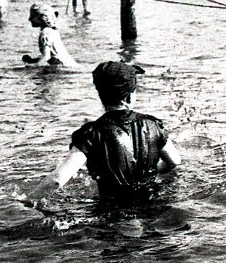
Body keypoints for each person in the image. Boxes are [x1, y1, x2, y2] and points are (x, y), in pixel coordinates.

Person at [28, 61, 182, 200]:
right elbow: (174, 161)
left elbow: (57, 180)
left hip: (110, 209)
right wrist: (151, 171)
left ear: (100, 95)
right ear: (129, 97)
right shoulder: (153, 124)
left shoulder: (91, 134)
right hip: (152, 204)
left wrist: (26, 201)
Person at [22, 3, 77, 67]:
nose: (29, 19)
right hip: (69, 66)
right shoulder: (51, 31)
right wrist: (33, 61)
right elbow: (52, 57)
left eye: (33, 16)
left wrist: (33, 66)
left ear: (43, 17)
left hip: (64, 68)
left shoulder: (45, 34)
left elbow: (46, 57)